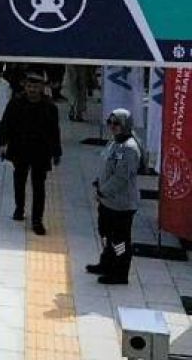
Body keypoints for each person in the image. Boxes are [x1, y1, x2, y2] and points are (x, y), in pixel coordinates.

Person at [0, 69, 62, 236]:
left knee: (39, 186)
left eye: (36, 86)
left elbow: (55, 131)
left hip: (41, 152)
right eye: (30, 86)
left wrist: (57, 152)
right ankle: (19, 208)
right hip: (20, 149)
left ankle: (37, 220)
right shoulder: (16, 103)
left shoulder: (49, 107)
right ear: (25, 86)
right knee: (19, 180)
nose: (32, 90)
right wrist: (2, 144)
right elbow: (5, 123)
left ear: (42, 88)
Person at [87, 108, 142, 285]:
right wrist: (98, 182)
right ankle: (106, 263)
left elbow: (121, 177)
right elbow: (106, 167)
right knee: (105, 234)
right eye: (110, 122)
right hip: (107, 201)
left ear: (126, 125)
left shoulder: (129, 149)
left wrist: (104, 190)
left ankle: (120, 272)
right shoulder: (115, 142)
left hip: (121, 204)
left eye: (116, 123)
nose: (112, 126)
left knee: (119, 240)